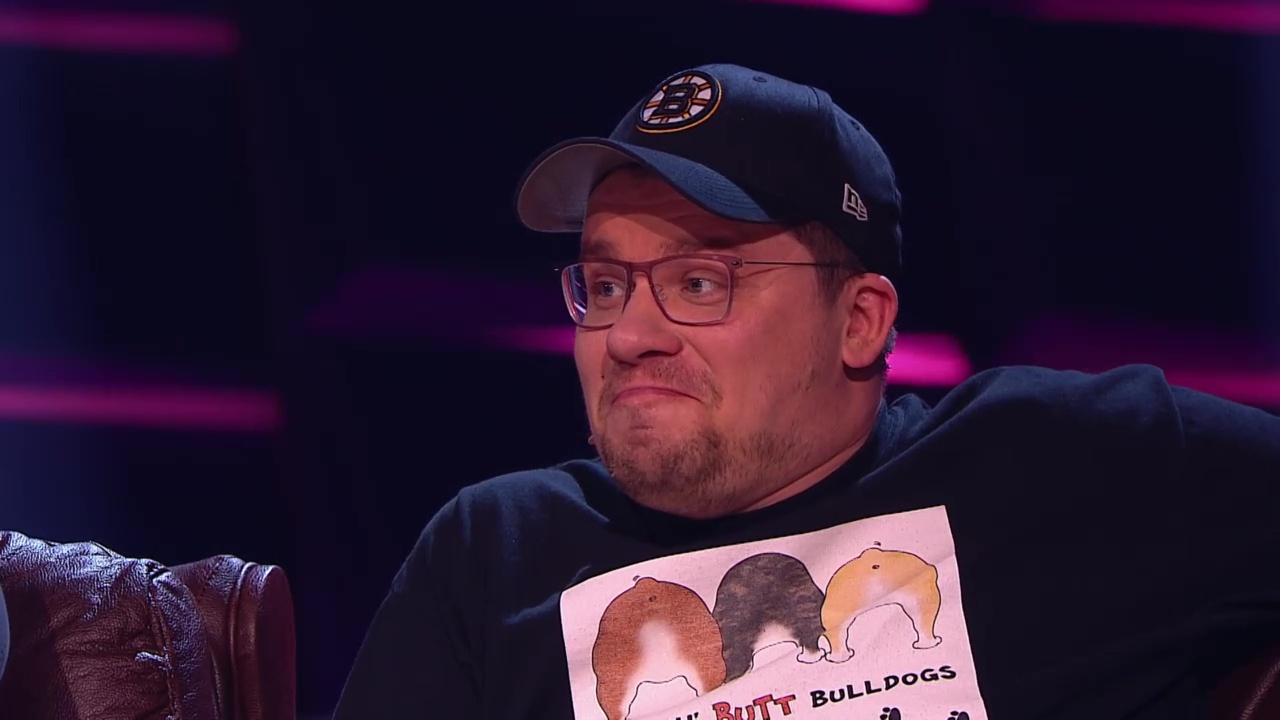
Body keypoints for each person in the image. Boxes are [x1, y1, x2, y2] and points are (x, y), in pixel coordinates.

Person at [332, 63, 1280, 720]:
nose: (627, 336)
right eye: (607, 285)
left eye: (700, 282)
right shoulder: (493, 552)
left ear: (859, 321)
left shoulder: (1066, 462)